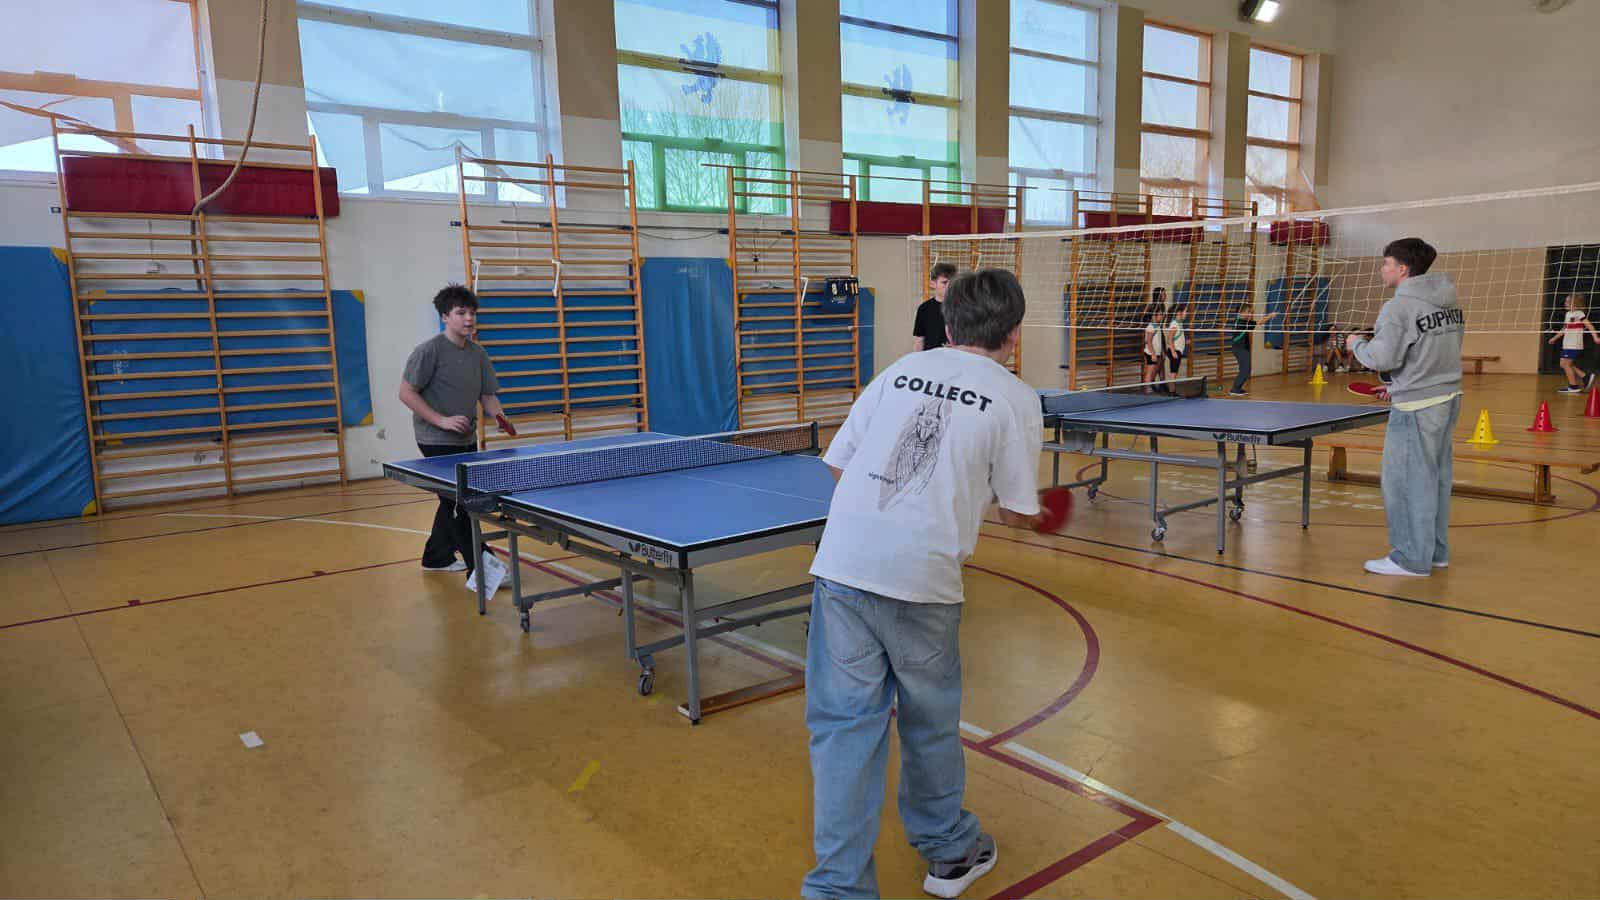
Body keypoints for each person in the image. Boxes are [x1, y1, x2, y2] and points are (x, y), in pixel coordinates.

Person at [801, 268, 1046, 900]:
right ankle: (950, 853)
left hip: (843, 566)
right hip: (923, 580)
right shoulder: (1016, 398)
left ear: (949, 325)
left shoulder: (897, 373)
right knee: (929, 723)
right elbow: (1018, 512)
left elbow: (839, 466)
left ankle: (837, 890)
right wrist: (1035, 514)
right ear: (1014, 333)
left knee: (843, 731)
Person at [1345, 238, 1463, 577]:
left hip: (1416, 407)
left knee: (1407, 483)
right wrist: (1398, 385)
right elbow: (1431, 353)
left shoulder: (1399, 307)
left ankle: (1410, 558)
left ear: (1402, 269)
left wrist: (1357, 344)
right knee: (1434, 479)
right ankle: (1434, 552)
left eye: (1386, 263)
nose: (1382, 269)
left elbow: (1382, 358)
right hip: (1447, 397)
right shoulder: (1449, 302)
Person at [398, 283, 507, 577]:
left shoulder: (478, 353)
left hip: (466, 437)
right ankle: (484, 568)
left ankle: (436, 556)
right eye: (461, 313)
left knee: (451, 500)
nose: (469, 319)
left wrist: (499, 416)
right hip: (435, 439)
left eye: (472, 313)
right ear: (445, 316)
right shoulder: (428, 351)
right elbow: (406, 393)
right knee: (460, 503)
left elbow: (487, 395)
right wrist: (441, 420)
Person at [1548, 293, 1598, 393]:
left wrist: (1595, 337)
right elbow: (1564, 329)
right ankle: (1585, 376)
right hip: (1567, 344)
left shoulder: (1579, 313)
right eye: (1566, 301)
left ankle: (1573, 386)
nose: (1565, 303)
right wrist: (1554, 338)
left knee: (1565, 364)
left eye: (1568, 302)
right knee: (1564, 364)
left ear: (1575, 304)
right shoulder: (1568, 314)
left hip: (1574, 344)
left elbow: (1589, 325)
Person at [1226, 303, 1279, 396]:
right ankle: (1235, 389)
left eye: (1251, 312)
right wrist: (1270, 316)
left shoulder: (1240, 321)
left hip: (1241, 348)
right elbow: (1260, 322)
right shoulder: (1242, 323)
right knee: (1245, 370)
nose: (1250, 314)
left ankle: (1237, 388)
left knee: (1245, 369)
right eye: (1248, 312)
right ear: (1241, 312)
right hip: (1240, 349)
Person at [912, 262, 958, 352]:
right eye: (944, 282)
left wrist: (956, 348)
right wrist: (917, 359)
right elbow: (919, 341)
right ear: (933, 284)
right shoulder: (924, 309)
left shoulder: (963, 308)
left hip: (955, 357)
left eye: (952, 282)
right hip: (930, 358)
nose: (949, 286)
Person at [1142, 302, 1166, 390]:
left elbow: (1159, 341)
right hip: (1150, 353)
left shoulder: (1157, 326)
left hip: (1156, 353)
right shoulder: (1151, 327)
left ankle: (1149, 389)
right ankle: (1147, 391)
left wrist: (1162, 351)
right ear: (1154, 315)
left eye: (1162, 314)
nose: (1162, 316)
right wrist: (1152, 354)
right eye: (1160, 314)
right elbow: (1148, 341)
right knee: (1149, 373)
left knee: (1152, 373)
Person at [1165, 299, 1189, 381]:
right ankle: (1172, 389)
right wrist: (1173, 352)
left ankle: (1172, 388)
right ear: (1179, 312)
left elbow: (1177, 337)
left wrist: (1185, 341)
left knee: (1175, 374)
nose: (1187, 313)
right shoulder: (1174, 324)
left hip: (1177, 351)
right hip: (1175, 351)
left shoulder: (1179, 323)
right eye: (1185, 311)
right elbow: (1169, 339)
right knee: (1173, 374)